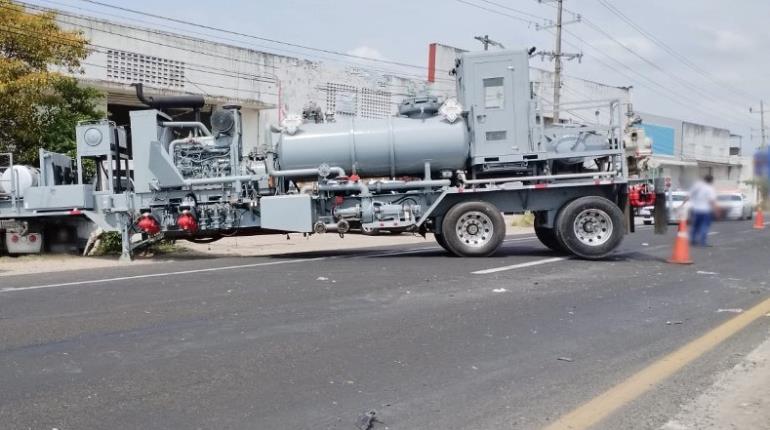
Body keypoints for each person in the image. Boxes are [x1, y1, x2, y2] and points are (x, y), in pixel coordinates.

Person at [686, 174, 717, 246]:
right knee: (704, 226)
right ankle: (703, 242)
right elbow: (711, 201)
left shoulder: (697, 186)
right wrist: (716, 210)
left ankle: (692, 240)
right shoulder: (710, 188)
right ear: (711, 181)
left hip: (696, 210)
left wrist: (682, 204)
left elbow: (688, 195)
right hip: (706, 211)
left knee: (695, 225)